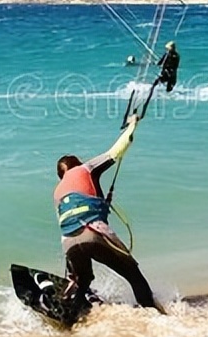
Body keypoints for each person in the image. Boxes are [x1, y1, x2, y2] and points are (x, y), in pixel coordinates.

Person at [54, 114, 163, 312]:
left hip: (69, 243)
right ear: (77, 163)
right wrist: (132, 125)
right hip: (93, 233)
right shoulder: (85, 169)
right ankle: (155, 316)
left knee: (84, 280)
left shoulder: (57, 193)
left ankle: (72, 314)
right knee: (133, 275)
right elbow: (117, 150)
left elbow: (68, 226)